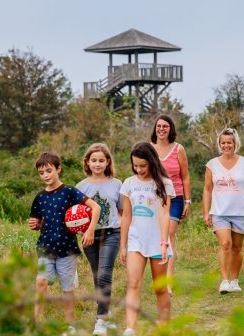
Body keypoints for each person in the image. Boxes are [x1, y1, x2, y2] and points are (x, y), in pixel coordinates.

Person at [28, 152, 101, 333]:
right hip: (45, 247)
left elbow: (96, 207)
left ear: (58, 169)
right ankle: (38, 320)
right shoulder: (40, 197)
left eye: (49, 170)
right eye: (41, 172)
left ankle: (70, 325)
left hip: (67, 249)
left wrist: (90, 229)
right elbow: (37, 221)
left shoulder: (69, 192)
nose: (45, 175)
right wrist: (35, 224)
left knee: (67, 288)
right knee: (41, 282)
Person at [119, 142, 175, 336]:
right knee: (134, 284)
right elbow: (126, 216)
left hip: (158, 241)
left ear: (152, 162)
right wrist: (123, 245)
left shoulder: (164, 184)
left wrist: (164, 242)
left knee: (160, 288)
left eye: (143, 165)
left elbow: (164, 214)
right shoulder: (128, 183)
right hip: (136, 240)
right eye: (136, 165)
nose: (139, 169)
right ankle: (130, 328)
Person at [201, 128, 244, 294]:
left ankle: (235, 281)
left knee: (237, 247)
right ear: (219, 144)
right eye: (223, 143)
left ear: (235, 144)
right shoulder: (212, 164)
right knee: (225, 244)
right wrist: (206, 212)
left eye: (229, 142)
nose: (226, 145)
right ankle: (224, 281)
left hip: (241, 212)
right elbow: (207, 189)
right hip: (219, 212)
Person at [76, 143, 122, 336]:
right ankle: (106, 310)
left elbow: (122, 211)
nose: (97, 164)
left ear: (108, 162)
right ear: (87, 162)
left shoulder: (117, 184)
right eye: (93, 160)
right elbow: (75, 215)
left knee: (104, 274)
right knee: (97, 276)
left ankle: (100, 320)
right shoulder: (80, 186)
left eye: (101, 160)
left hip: (112, 233)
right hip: (89, 236)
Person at [150, 114, 191, 295]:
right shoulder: (149, 148)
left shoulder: (178, 149)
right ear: (155, 129)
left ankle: (168, 282)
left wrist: (188, 200)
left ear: (170, 129)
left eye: (165, 126)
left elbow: (185, 176)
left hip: (175, 198)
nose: (161, 129)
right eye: (159, 126)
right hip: (154, 198)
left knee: (169, 236)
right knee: (157, 237)